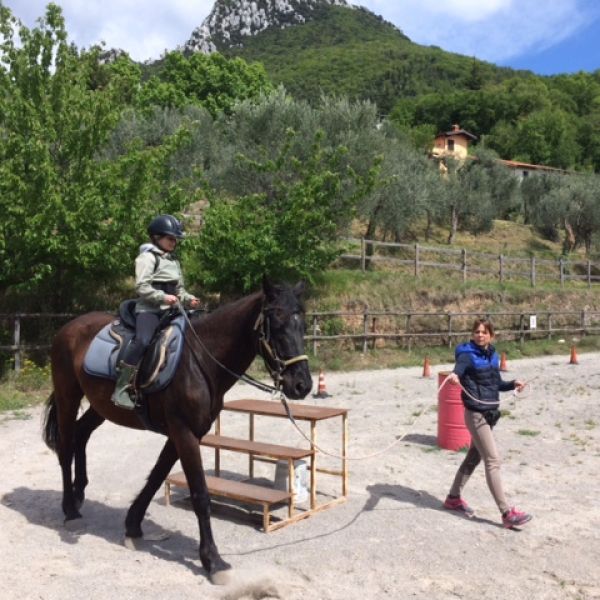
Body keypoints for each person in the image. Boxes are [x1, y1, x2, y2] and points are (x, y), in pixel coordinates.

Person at [443, 317, 532, 529]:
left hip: (490, 414)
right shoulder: (467, 354)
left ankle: (453, 498)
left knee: (473, 458)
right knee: (493, 460)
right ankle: (506, 513)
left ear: (491, 335)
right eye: (476, 332)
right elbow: (459, 370)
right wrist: (455, 377)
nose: (480, 335)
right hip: (476, 415)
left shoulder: (492, 355)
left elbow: (496, 384)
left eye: (484, 332)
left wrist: (512, 384)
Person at [111, 214, 200, 409]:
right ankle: (122, 387)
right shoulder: (147, 258)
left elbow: (180, 291)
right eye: (170, 238)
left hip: (172, 310)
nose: (174, 242)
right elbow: (141, 287)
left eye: (175, 239)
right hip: (149, 310)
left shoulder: (174, 261)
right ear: (156, 237)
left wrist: (189, 299)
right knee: (143, 340)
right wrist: (162, 297)